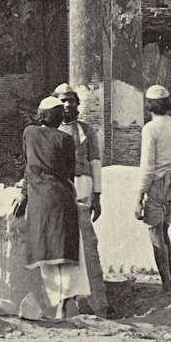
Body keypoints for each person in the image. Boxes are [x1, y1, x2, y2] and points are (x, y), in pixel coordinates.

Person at [20, 94, 82, 296]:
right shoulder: (66, 139)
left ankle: (56, 301)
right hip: (63, 199)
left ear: (41, 115)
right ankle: (67, 300)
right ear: (59, 117)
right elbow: (69, 172)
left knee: (44, 250)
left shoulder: (29, 133)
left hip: (40, 200)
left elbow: (27, 165)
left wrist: (23, 193)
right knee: (65, 252)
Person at [55, 82, 106, 306]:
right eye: (64, 101)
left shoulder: (86, 130)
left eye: (72, 101)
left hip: (82, 183)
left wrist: (97, 195)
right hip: (60, 186)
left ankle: (91, 295)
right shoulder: (51, 130)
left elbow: (95, 163)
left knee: (84, 239)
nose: (68, 105)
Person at [136, 84, 171, 291]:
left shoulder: (150, 129)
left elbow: (147, 166)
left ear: (149, 106)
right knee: (164, 231)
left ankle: (167, 285)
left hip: (159, 181)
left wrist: (139, 196)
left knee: (155, 233)